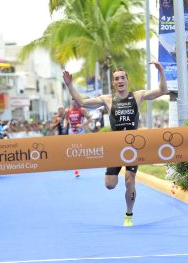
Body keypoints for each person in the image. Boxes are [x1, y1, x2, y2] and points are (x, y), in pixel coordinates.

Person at [63, 61, 168, 226]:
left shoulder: (138, 96)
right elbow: (82, 102)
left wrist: (161, 71)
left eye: (122, 78)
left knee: (129, 181)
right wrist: (69, 85)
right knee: (110, 184)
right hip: (115, 148)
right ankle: (118, 180)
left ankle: (128, 215)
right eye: (116, 79)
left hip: (133, 147)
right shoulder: (107, 99)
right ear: (113, 82)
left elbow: (162, 90)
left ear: (127, 80)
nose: (120, 81)